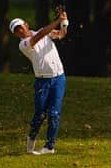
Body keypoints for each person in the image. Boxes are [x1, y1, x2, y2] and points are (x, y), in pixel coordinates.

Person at [11, 9, 69, 155]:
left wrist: (64, 24)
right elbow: (40, 35)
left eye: (21, 27)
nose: (20, 31)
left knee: (54, 113)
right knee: (40, 114)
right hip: (42, 82)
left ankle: (49, 147)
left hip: (59, 78)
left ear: (26, 24)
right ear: (15, 34)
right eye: (17, 30)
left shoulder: (43, 32)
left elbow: (61, 35)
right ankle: (32, 137)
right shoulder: (24, 44)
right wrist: (57, 20)